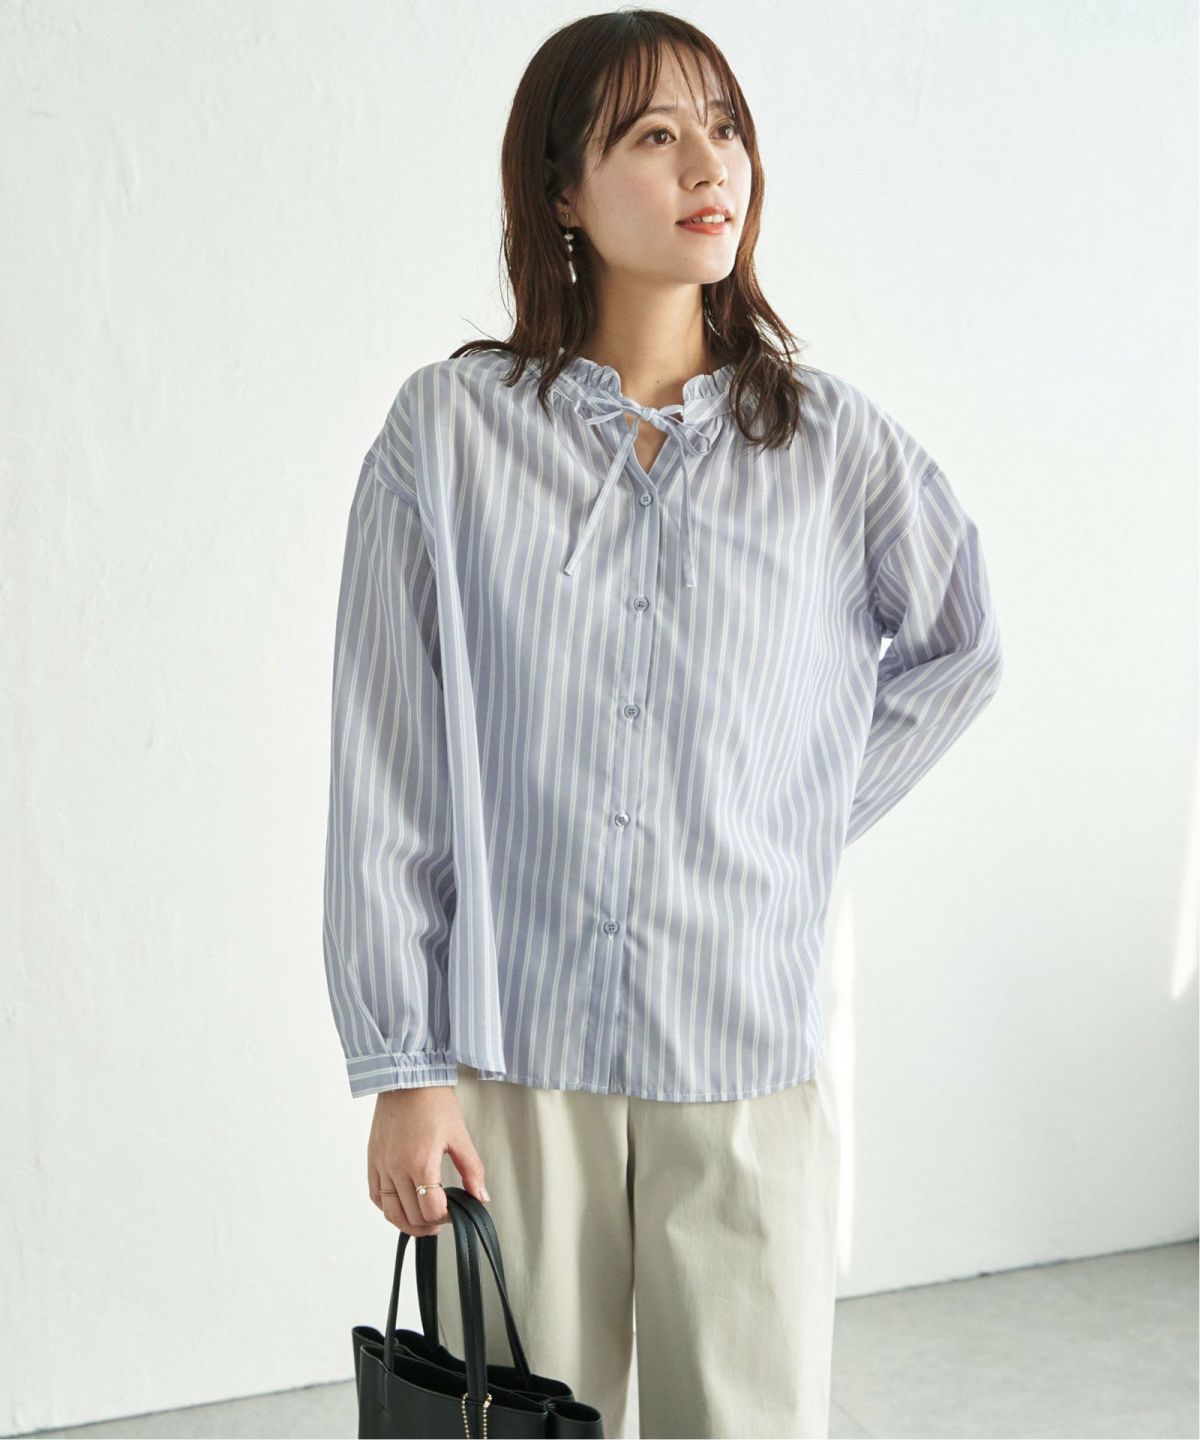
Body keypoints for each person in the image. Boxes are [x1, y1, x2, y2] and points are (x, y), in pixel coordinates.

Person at [321, 12, 1004, 1438]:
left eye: (725, 127)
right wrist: (402, 1068)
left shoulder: (834, 447)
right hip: (512, 1067)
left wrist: (786, 811)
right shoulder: (445, 435)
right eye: (653, 134)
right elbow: (386, 767)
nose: (711, 165)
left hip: (741, 1054)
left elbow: (961, 648)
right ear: (561, 191)